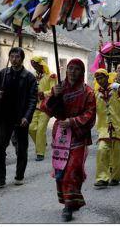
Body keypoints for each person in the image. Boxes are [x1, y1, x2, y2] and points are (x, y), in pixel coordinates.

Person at [41, 59, 96, 222]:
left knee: (73, 169)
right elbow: (46, 108)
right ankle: (68, 200)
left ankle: (68, 206)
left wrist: (72, 122)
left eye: (76, 69)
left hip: (78, 135)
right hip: (61, 135)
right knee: (61, 171)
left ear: (82, 72)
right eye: (70, 68)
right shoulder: (58, 88)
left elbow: (90, 114)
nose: (72, 71)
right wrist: (54, 97)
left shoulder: (88, 92)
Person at [0, 47, 38, 188]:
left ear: (22, 59)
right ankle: (0, 178)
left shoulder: (29, 77)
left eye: (17, 57)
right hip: (4, 117)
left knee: (21, 149)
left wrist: (27, 116)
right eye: (12, 56)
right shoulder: (2, 74)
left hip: (21, 118)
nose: (14, 59)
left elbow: (33, 100)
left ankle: (19, 175)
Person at [94, 68, 120, 189]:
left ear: (107, 77)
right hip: (104, 128)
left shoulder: (117, 89)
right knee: (102, 150)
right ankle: (102, 178)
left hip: (119, 127)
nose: (100, 80)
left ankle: (115, 177)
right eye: (98, 78)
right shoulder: (97, 94)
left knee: (118, 155)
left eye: (102, 77)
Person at [29, 56, 57, 161]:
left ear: (41, 64)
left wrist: (43, 94)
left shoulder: (51, 76)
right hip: (35, 106)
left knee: (41, 129)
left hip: (46, 106)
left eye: (36, 65)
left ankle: (40, 153)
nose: (34, 67)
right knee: (31, 128)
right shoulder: (34, 77)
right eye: (33, 65)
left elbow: (53, 90)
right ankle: (42, 142)